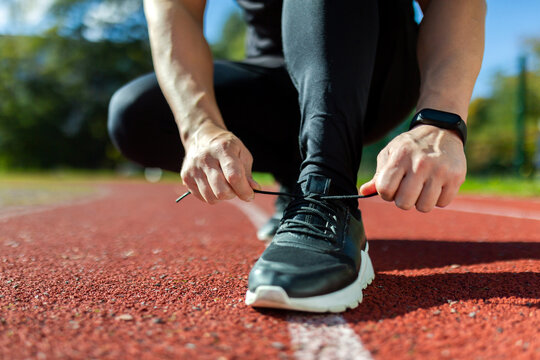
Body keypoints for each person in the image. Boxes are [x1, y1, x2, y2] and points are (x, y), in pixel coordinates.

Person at [108, 0, 486, 312]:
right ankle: (298, 178)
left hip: (374, 73)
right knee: (136, 113)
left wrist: (440, 121)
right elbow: (175, 12)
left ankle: (326, 192)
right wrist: (200, 129)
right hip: (276, 79)